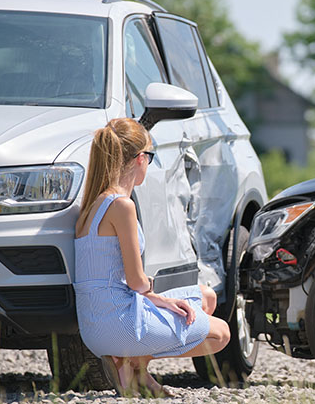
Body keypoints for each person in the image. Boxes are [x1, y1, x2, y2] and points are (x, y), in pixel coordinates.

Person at [73, 118, 230, 396]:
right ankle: (131, 359)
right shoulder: (123, 206)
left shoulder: (90, 206)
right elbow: (136, 281)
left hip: (93, 327)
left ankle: (138, 371)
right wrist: (162, 299)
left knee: (206, 297)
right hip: (119, 325)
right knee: (220, 333)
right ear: (140, 159)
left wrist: (160, 299)